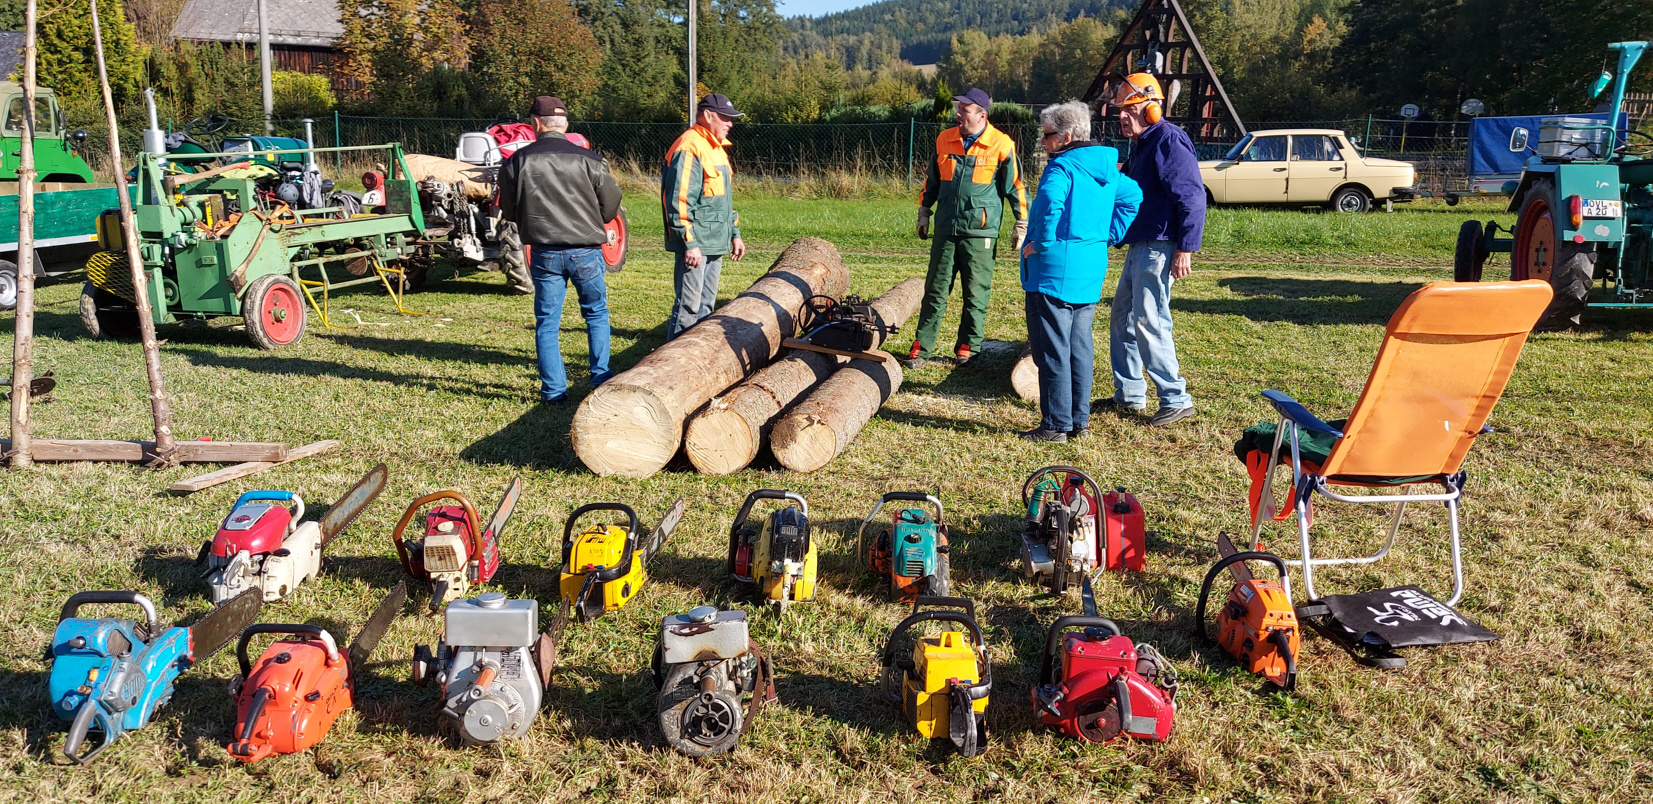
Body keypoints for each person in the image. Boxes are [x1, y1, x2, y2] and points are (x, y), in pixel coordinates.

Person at [1017, 101, 1142, 442]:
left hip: (1052, 272)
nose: (1043, 143)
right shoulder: (1108, 171)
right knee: (1080, 347)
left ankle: (1055, 424)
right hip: (1088, 272)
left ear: (1067, 136)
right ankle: (1078, 421)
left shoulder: (1061, 169)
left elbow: (1048, 208)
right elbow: (1134, 197)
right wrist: (1109, 235)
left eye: (1047, 136)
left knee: (1052, 349)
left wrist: (1039, 244)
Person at [1096, 73, 1206, 427]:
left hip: (1161, 244)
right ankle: (1129, 394)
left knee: (1150, 319)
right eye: (1120, 112)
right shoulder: (1144, 143)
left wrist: (1185, 247)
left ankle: (1175, 398)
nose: (1122, 117)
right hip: (1142, 243)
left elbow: (1192, 196)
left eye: (1129, 110)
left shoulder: (1168, 140)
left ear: (1153, 108)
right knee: (1123, 318)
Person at [497, 95, 622, 405]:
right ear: (565, 124)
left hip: (544, 253)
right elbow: (611, 205)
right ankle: (601, 378)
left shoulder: (516, 162)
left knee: (547, 323)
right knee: (595, 314)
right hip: (586, 252)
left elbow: (509, 211)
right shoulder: (591, 160)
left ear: (535, 124)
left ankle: (554, 392)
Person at [906, 87, 1029, 369]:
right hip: (946, 228)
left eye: (965, 109)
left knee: (976, 293)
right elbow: (932, 181)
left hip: (980, 231)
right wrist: (924, 211)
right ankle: (921, 348)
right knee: (935, 290)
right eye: (958, 108)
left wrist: (1021, 223)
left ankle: (968, 348)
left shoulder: (1001, 144)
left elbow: (1016, 187)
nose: (958, 114)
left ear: (981, 115)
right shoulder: (944, 139)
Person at [661, 93, 747, 339]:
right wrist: (690, 243)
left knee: (707, 307)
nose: (730, 123)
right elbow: (678, 199)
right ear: (708, 116)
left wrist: (734, 233)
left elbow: (723, 200)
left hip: (715, 242)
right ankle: (673, 362)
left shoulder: (717, 148)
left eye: (731, 119)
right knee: (688, 307)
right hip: (697, 244)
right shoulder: (689, 145)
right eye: (725, 118)